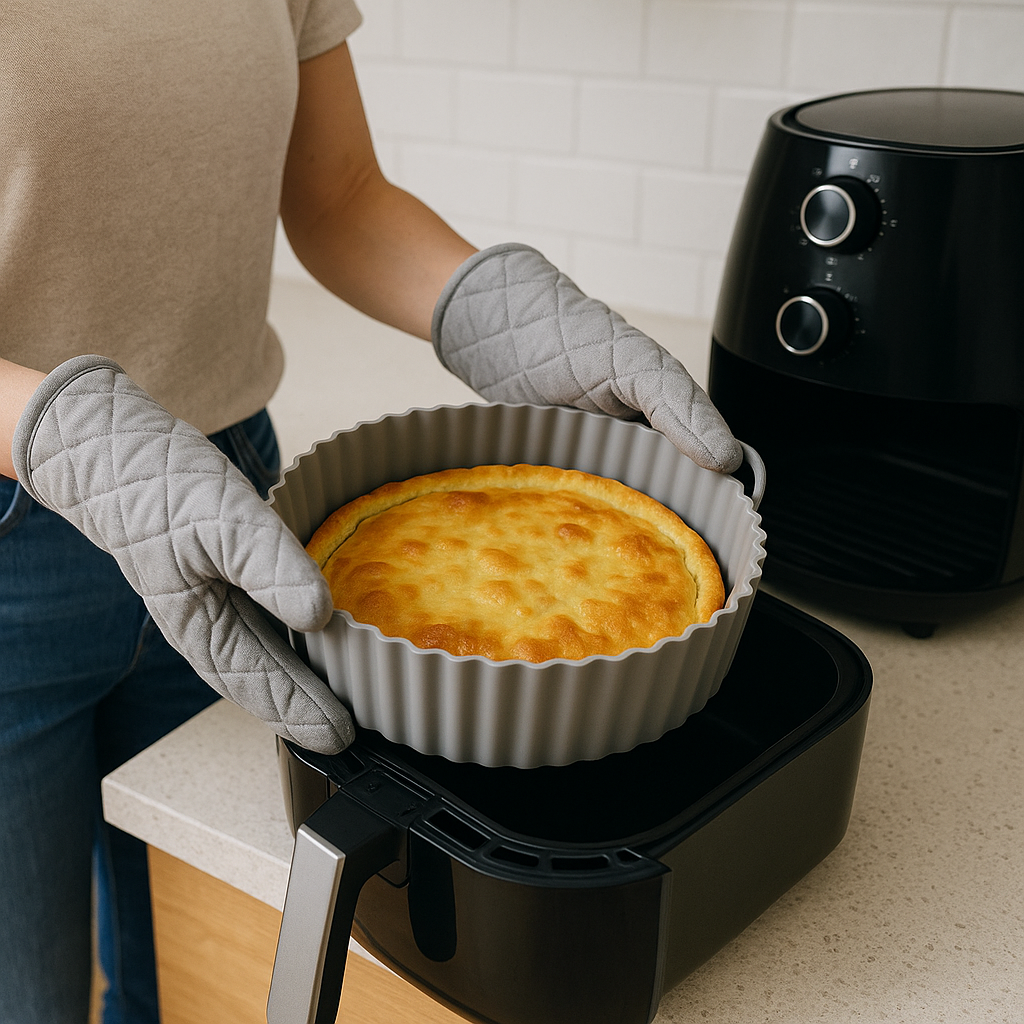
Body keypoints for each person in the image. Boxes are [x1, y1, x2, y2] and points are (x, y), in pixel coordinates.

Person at [0, 2, 741, 1022]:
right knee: (28, 993)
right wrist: (74, 440)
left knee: (188, 947)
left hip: (236, 522)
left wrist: (495, 311)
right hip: (18, 542)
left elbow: (338, 193)